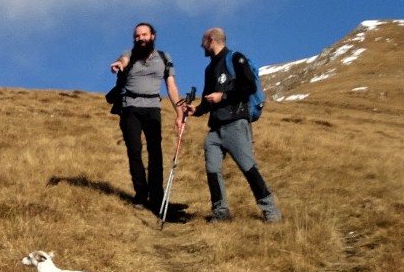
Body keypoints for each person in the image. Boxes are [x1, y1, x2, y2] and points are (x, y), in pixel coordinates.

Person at [190, 27, 281, 223]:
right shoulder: (209, 69)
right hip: (215, 128)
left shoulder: (235, 58)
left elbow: (249, 87)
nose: (201, 46)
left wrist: (223, 96)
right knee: (212, 169)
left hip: (236, 123)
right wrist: (195, 110)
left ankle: (270, 210)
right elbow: (207, 100)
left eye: (203, 41)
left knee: (248, 167)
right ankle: (220, 213)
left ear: (211, 40)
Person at [109, 23, 181, 211]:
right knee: (134, 151)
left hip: (153, 109)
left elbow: (171, 86)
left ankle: (157, 197)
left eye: (143, 35)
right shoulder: (129, 54)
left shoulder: (164, 58)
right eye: (136, 36)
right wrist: (120, 64)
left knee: (155, 153)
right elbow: (124, 60)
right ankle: (141, 194)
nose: (140, 38)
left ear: (153, 36)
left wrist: (179, 112)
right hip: (130, 108)